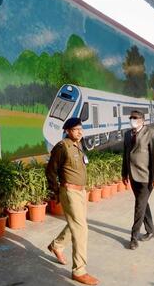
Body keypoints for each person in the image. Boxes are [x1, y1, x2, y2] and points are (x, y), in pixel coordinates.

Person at [46, 117, 99, 285]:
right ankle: (79, 271)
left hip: (80, 191)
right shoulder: (62, 147)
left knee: (77, 223)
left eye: (80, 129)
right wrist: (57, 192)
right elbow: (50, 171)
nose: (80, 132)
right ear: (67, 131)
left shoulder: (78, 145)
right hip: (69, 191)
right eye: (76, 129)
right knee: (81, 229)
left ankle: (57, 245)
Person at [122, 110, 154, 250]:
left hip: (146, 177)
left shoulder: (151, 133)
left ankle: (133, 237)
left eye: (136, 118)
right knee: (143, 205)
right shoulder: (127, 134)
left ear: (142, 120)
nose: (133, 120)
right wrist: (124, 173)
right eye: (131, 117)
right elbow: (125, 154)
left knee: (139, 206)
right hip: (133, 176)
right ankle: (151, 231)